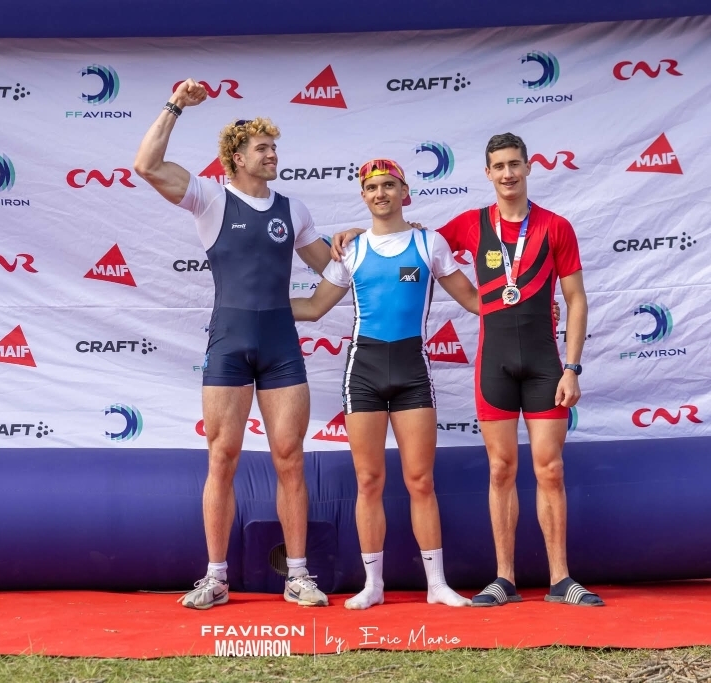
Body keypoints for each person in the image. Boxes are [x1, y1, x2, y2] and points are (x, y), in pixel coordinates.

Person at [332, 134, 602, 607]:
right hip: (494, 363)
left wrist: (573, 366)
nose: (507, 174)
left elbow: (576, 299)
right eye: (498, 166)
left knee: (551, 469)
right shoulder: (471, 225)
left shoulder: (556, 226)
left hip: (545, 363)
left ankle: (562, 579)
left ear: (528, 166)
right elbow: (407, 236)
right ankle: (503, 579)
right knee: (500, 469)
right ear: (487, 173)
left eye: (515, 164)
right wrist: (355, 233)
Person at [134, 78, 333, 609]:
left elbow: (332, 271)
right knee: (222, 457)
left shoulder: (295, 210)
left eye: (274, 148)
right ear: (237, 158)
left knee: (289, 458)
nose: (273, 156)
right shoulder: (210, 198)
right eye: (263, 149)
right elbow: (147, 166)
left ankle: (297, 574)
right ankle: (216, 577)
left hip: (281, 345)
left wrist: (377, 234)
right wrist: (174, 104)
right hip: (228, 343)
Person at [292, 159, 476, 609]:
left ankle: (437, 585)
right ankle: (373, 586)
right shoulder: (350, 250)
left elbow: (473, 300)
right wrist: (252, 304)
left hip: (413, 369)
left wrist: (525, 307)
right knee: (369, 481)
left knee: (420, 481)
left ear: (404, 191)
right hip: (365, 371)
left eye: (389, 185)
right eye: (372, 187)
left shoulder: (428, 241)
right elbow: (315, 308)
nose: (381, 193)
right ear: (363, 195)